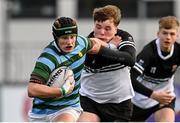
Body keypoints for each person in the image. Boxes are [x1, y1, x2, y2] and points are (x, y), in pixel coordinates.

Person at [27, 17, 104, 122]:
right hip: (40, 113)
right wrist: (61, 91)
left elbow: (96, 44)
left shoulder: (81, 43)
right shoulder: (48, 58)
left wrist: (113, 47)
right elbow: (32, 89)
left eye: (72, 37)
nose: (69, 42)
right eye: (64, 38)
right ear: (56, 38)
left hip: (68, 108)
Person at [77, 5, 136, 122]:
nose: (101, 33)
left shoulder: (124, 37)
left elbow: (130, 59)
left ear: (116, 28)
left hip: (119, 103)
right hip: (90, 101)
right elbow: (95, 64)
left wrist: (104, 48)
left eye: (107, 28)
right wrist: (112, 47)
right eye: (98, 27)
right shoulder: (88, 41)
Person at [130, 16, 180, 122]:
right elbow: (130, 79)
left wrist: (157, 96)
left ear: (177, 36)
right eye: (165, 33)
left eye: (172, 34)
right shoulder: (148, 53)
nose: (168, 37)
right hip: (139, 101)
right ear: (158, 34)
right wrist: (153, 94)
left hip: (164, 99)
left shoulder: (178, 52)